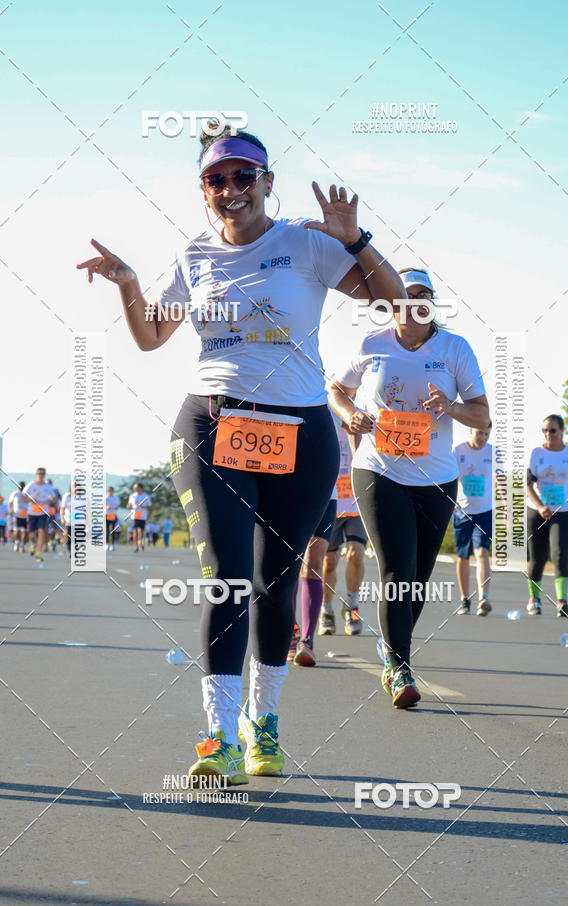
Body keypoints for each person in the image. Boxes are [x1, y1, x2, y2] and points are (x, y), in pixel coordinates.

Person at [78, 126, 406, 783]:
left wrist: (356, 240)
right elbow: (149, 337)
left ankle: (265, 725)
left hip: (301, 429)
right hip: (212, 423)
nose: (231, 189)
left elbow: (392, 301)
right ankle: (219, 736)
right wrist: (128, 283)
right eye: (216, 179)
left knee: (275, 583)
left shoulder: (306, 243)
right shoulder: (193, 255)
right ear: (205, 190)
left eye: (243, 176)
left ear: (267, 183)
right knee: (228, 577)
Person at [330, 266, 489, 709]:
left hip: (436, 478)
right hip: (378, 470)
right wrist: (350, 415)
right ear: (390, 301)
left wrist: (452, 407)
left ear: (432, 303)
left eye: (424, 295)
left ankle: (390, 643)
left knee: (417, 580)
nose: (414, 301)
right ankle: (399, 668)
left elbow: (483, 416)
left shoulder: (455, 349)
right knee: (397, 571)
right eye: (406, 293)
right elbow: (337, 390)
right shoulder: (371, 345)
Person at [526, 414, 568, 617]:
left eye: (553, 430)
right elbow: (528, 484)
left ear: (562, 431)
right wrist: (539, 506)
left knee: (560, 554)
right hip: (537, 510)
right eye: (545, 430)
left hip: (564, 511)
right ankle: (534, 599)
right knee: (537, 558)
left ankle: (562, 601)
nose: (548, 434)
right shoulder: (536, 452)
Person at [320, 415, 367, 636]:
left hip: (357, 505)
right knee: (329, 563)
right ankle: (326, 609)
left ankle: (352, 606)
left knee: (355, 555)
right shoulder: (327, 421)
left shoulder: (364, 421)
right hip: (331, 502)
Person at [290, 492, 338, 666]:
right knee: (290, 562)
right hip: (285, 488)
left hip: (323, 492)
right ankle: (290, 630)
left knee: (313, 563)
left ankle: (307, 640)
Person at [453, 425, 494, 616]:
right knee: (463, 557)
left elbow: (500, 479)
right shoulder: (458, 450)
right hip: (462, 512)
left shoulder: (493, 452)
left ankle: (483, 598)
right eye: (480, 433)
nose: (483, 437)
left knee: (482, 553)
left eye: (486, 434)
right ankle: (464, 599)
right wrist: (450, 503)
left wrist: (506, 508)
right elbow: (450, 478)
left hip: (485, 511)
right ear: (470, 430)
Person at [23, 467, 56, 563]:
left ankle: (38, 554)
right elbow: (23, 497)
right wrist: (31, 500)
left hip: (43, 512)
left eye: (42, 474)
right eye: (39, 473)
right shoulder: (30, 485)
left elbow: (54, 499)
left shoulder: (48, 486)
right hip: (32, 512)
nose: (40, 475)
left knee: (41, 532)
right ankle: (33, 544)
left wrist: (48, 501)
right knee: (32, 534)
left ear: (44, 475)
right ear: (36, 474)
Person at [126, 483, 151, 552]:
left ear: (140, 488)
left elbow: (150, 506)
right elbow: (129, 505)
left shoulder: (145, 496)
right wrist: (129, 506)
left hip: (142, 516)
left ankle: (140, 542)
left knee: (141, 532)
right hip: (134, 516)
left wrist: (143, 507)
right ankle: (136, 546)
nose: (135, 489)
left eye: (136, 487)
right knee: (135, 531)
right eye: (134, 488)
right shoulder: (132, 496)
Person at [9, 481, 29, 552]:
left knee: (25, 532)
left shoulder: (27, 494)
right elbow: (10, 502)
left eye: (23, 486)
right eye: (20, 486)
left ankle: (22, 545)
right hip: (17, 515)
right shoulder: (15, 494)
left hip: (25, 515)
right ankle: (17, 542)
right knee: (17, 531)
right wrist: (11, 510)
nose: (21, 487)